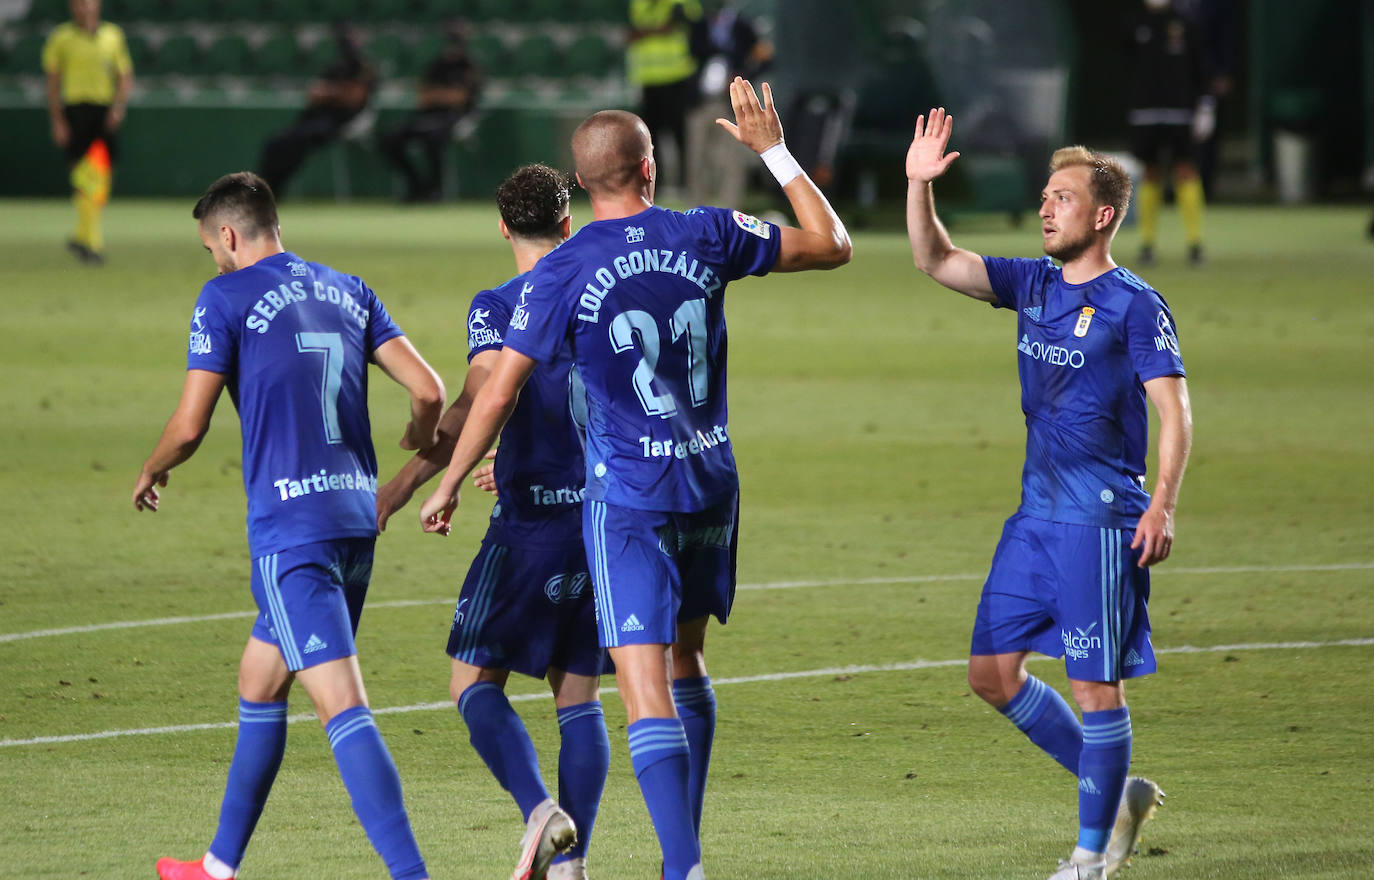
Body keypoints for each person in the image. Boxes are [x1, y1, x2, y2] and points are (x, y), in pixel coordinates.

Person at [415, 78, 851, 880]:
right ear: (650, 169)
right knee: (688, 663)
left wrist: (447, 482)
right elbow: (832, 244)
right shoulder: (707, 230)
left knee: (644, 688)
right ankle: (685, 849)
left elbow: (499, 390)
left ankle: (684, 868)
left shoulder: (563, 267)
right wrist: (775, 152)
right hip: (711, 484)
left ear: (582, 184)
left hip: (631, 502)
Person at [906, 108, 1193, 880]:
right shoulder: (1031, 282)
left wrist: (1162, 504)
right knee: (991, 675)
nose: (1045, 207)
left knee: (1095, 687)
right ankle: (1118, 792)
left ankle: (1092, 856)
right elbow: (935, 259)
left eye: (1061, 198)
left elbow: (1174, 412)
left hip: (1098, 521)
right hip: (1034, 518)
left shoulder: (1135, 304)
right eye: (1044, 196)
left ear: (1101, 216)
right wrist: (918, 185)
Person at [133, 172, 445, 880]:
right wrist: (420, 435)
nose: (214, 260)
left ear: (229, 235)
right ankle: (218, 867)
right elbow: (429, 389)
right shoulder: (349, 288)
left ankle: (413, 875)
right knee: (260, 677)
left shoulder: (224, 297)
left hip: (293, 531)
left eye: (211, 248)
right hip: (355, 519)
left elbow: (189, 426)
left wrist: (152, 467)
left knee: (342, 707)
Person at [375, 164, 610, 880]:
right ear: (567, 223)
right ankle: (572, 866)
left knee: (472, 681)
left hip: (531, 526)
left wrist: (406, 488)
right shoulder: (608, 292)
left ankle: (541, 813)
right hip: (608, 519)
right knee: (578, 695)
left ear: (503, 226)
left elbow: (482, 399)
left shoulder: (500, 305)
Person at [42, 0, 133, 265]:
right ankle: (91, 242)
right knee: (82, 178)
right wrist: (57, 119)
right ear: (72, 7)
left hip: (102, 112)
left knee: (99, 179)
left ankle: (83, 236)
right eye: (79, 3)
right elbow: (53, 81)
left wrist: (118, 107)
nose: (84, 7)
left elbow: (124, 74)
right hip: (75, 111)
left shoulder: (112, 35)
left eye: (88, 2)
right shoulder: (61, 37)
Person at [1128, 0, 1210, 267]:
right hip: (1145, 113)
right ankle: (1147, 244)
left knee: (1185, 170)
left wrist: (1206, 105)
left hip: (1180, 112)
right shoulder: (1135, 23)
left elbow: (1201, 66)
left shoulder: (1186, 23)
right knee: (1150, 172)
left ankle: (1195, 243)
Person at [258, 25, 374, 199]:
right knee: (276, 142)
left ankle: (274, 190)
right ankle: (263, 188)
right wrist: (338, 92)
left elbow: (355, 98)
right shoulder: (336, 67)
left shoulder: (364, 69)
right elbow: (314, 93)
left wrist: (330, 92)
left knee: (297, 141)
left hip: (338, 123)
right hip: (313, 118)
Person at [377, 21, 482, 203]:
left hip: (454, 117)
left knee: (433, 139)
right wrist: (445, 95)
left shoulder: (469, 66)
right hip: (426, 115)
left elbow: (459, 98)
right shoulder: (437, 65)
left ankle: (435, 189)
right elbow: (423, 97)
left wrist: (440, 95)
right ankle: (416, 186)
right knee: (388, 140)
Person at [685, 2, 772, 207]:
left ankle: (730, 209)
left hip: (731, 103)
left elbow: (766, 59)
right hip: (700, 101)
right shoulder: (698, 25)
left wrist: (741, 77)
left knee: (732, 159)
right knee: (697, 157)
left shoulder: (744, 27)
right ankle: (697, 210)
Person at [627, 0, 703, 195]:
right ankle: (655, 183)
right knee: (650, 136)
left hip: (676, 77)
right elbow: (630, 33)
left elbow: (689, 24)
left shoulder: (681, 3)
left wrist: (645, 32)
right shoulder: (639, 3)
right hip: (648, 79)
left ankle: (687, 183)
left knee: (681, 135)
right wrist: (656, 30)